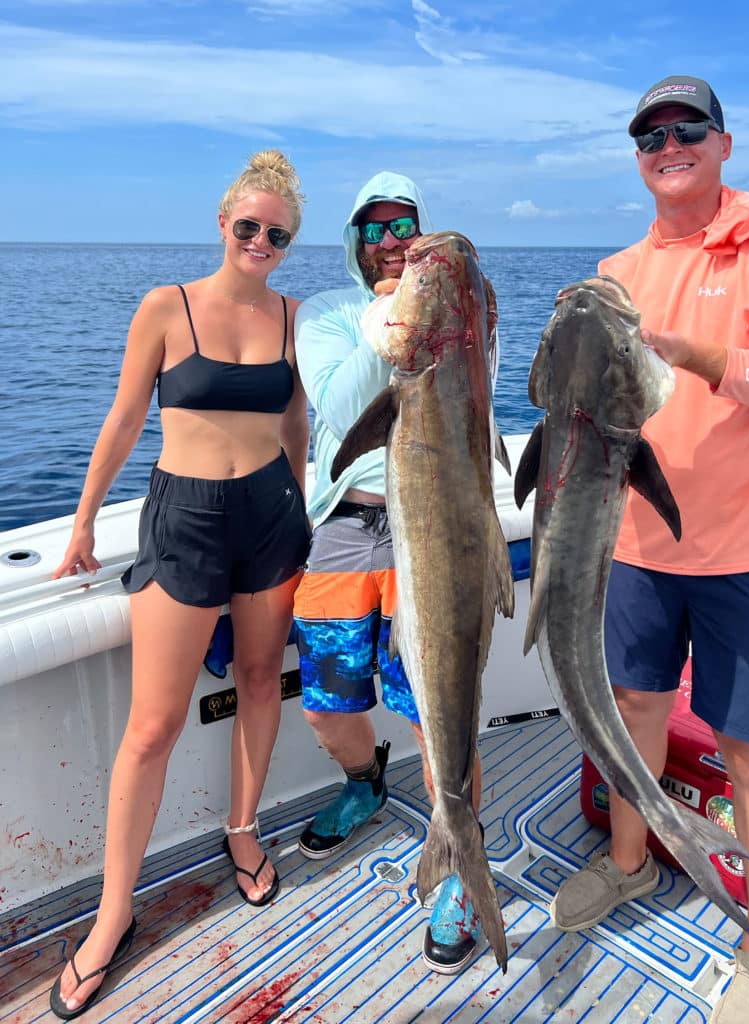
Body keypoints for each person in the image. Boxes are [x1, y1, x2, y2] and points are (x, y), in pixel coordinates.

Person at [548, 76, 749, 1024]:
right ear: (637, 158)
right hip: (632, 541)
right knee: (631, 706)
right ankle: (630, 863)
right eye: (649, 135)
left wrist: (699, 355)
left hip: (748, 551)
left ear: (724, 143)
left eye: (686, 129)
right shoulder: (615, 268)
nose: (666, 144)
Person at [49, 150, 312, 1019]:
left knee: (261, 681)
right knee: (154, 723)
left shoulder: (293, 317)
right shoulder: (168, 305)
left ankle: (243, 831)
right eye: (249, 227)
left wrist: (304, 506)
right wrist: (85, 519)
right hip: (185, 516)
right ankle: (112, 912)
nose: (261, 242)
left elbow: (297, 422)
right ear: (223, 222)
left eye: (278, 233)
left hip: (273, 515)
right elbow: (125, 416)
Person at [292, 170, 486, 976]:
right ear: (353, 243)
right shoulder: (328, 316)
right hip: (345, 527)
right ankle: (364, 782)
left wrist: (438, 314)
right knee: (327, 707)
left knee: (436, 706)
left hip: (431, 525)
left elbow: (476, 407)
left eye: (403, 223)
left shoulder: (455, 320)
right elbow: (339, 410)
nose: (390, 239)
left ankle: (459, 860)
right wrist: (396, 321)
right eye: (372, 228)